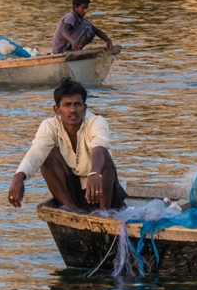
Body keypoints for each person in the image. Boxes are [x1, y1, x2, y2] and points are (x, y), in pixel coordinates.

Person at [8, 78, 127, 212]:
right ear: (57, 110)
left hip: (103, 191)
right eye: (67, 105)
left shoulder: (97, 122)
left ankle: (104, 214)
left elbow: (99, 148)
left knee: (103, 155)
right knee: (46, 154)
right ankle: (71, 210)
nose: (73, 110)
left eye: (77, 104)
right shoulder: (49, 126)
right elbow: (37, 151)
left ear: (85, 108)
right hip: (74, 193)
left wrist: (94, 173)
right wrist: (19, 176)